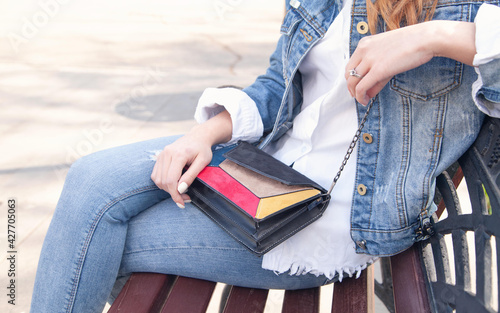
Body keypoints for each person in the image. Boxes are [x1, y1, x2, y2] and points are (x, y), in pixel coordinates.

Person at [31, 0, 500, 312]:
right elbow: (277, 87)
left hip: (331, 217)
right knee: (89, 178)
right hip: (269, 166)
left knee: (93, 237)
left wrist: (430, 37)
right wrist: (205, 133)